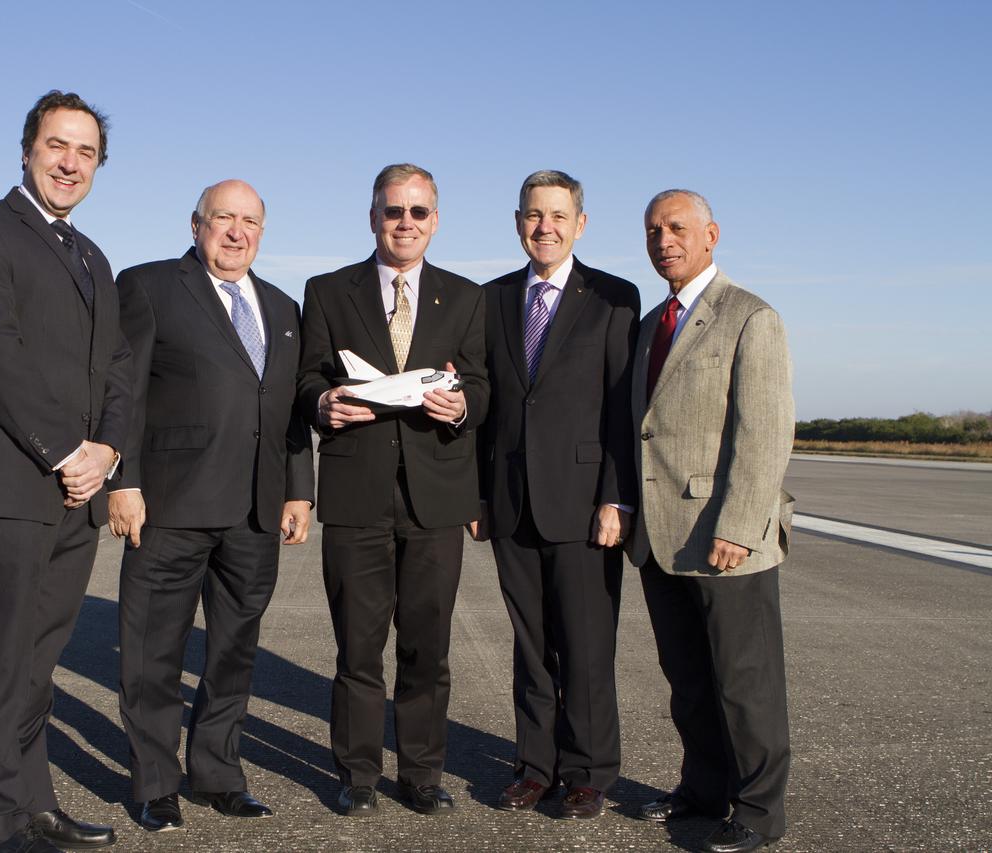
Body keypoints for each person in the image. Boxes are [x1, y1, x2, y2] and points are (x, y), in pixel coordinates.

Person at [0, 90, 131, 853]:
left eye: (86, 152)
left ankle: (37, 802)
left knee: (39, 662)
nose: (70, 162)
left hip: (79, 491)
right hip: (15, 478)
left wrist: (107, 451)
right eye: (57, 145)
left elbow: (116, 365)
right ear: (26, 149)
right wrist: (67, 451)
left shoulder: (92, 255)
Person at [106, 180, 314, 832]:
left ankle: (218, 772)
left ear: (262, 230)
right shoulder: (149, 287)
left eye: (249, 221)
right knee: (153, 653)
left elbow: (289, 409)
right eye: (224, 217)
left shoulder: (281, 305)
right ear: (196, 223)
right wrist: (122, 478)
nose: (236, 232)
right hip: (168, 506)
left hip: (254, 512)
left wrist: (300, 488)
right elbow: (123, 391)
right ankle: (155, 783)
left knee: (233, 651)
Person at [297, 163, 489, 817]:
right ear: (373, 215)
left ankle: (422, 772)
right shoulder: (326, 290)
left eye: (418, 212)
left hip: (436, 498)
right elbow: (304, 380)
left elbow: (487, 386)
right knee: (357, 646)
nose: (405, 223)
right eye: (393, 211)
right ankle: (355, 773)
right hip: (356, 495)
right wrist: (323, 403)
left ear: (435, 219)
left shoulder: (467, 297)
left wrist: (459, 408)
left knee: (427, 647)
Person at [629, 189, 795, 853]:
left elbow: (765, 432)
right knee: (690, 679)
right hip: (662, 534)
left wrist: (740, 522)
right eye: (652, 229)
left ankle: (758, 810)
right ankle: (703, 789)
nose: (663, 239)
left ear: (711, 234)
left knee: (745, 681)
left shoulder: (751, 316)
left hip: (727, 537)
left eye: (676, 227)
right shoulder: (650, 324)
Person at [475, 170, 639, 819]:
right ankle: (535, 765)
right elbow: (487, 410)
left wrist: (617, 497)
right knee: (531, 644)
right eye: (533, 215)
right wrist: (478, 496)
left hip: (584, 502)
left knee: (586, 643)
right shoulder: (491, 299)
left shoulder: (612, 297)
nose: (545, 226)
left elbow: (625, 410)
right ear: (519, 221)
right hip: (512, 500)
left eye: (557, 215)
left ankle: (590, 770)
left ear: (581, 223)